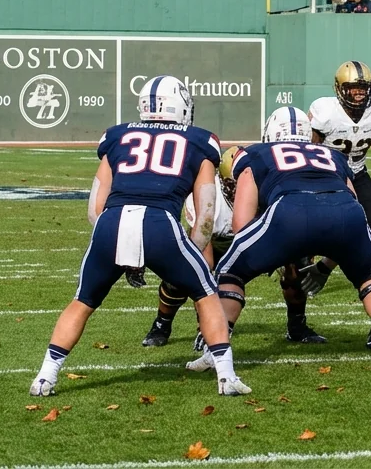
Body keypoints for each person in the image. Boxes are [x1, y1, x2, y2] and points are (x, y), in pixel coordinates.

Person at [31, 75, 249, 397]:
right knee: (205, 292)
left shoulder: (117, 136)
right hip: (160, 222)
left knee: (83, 301)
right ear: (182, 107)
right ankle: (226, 376)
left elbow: (95, 207)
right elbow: (205, 214)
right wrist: (188, 252)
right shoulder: (201, 140)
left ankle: (45, 377)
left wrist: (125, 251)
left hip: (112, 223)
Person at [185, 108, 371, 373]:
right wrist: (327, 262)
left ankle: (216, 350)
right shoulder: (333, 155)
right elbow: (353, 207)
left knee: (230, 271)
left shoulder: (255, 154)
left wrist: (266, 252)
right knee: (370, 274)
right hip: (347, 214)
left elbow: (242, 225)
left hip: (290, 212)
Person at [141, 146, 324, 347]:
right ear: (222, 181)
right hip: (217, 243)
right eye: (233, 183)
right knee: (183, 274)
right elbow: (204, 258)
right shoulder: (210, 199)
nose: (238, 188)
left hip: (260, 240)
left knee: (299, 266)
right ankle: (162, 325)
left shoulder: (271, 191)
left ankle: (297, 326)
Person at [298, 63, 371, 334]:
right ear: (339, 89)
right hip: (327, 176)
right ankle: (305, 268)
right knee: (314, 230)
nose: (358, 94)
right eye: (352, 88)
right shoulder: (324, 112)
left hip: (358, 173)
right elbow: (308, 149)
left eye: (362, 88)